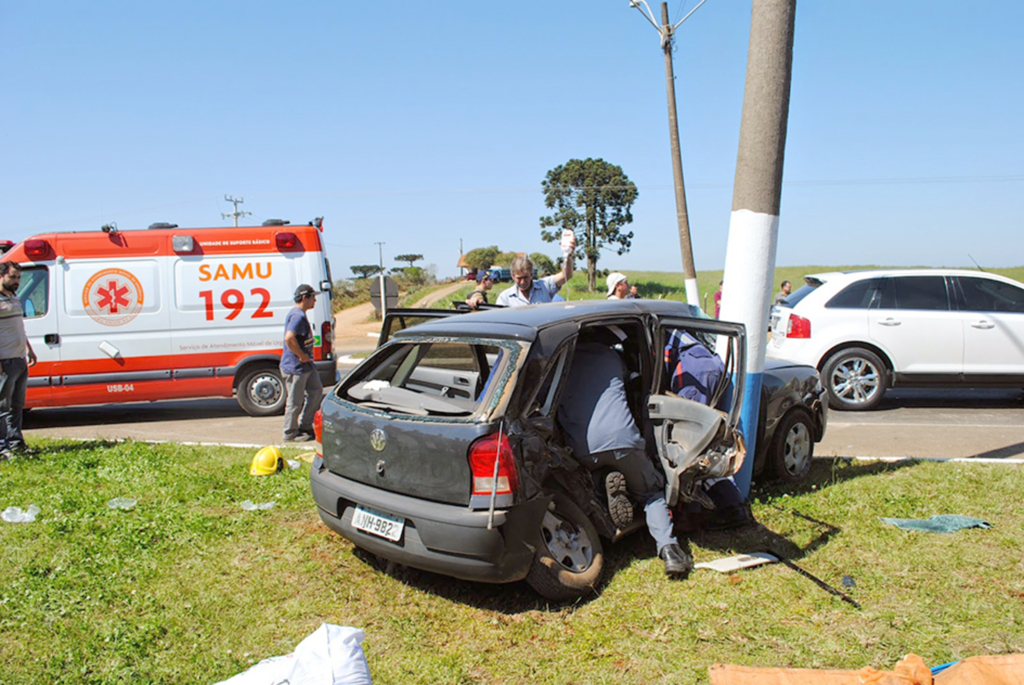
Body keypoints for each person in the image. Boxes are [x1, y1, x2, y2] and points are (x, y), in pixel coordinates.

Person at [557, 335, 693, 577]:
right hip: (623, 439)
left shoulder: (561, 362)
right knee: (651, 493)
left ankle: (604, 486)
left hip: (583, 446)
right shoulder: (611, 356)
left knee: (590, 475)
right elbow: (633, 385)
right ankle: (670, 550)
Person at [0, 262, 37, 460]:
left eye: (18, 278)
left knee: (17, 405)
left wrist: (29, 349)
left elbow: (19, 328)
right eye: (13, 277)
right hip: (4, 361)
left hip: (19, 359)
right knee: (2, 408)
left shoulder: (14, 298)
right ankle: (1, 447)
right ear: (1, 276)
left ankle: (16, 444)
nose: (16, 281)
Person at [281, 284, 324, 442]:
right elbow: (289, 338)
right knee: (295, 401)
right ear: (305, 297)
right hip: (296, 367)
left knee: (316, 391)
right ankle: (290, 433)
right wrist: (301, 355)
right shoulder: (297, 316)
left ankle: (305, 426)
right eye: (313, 297)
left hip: (306, 366)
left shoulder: (300, 314)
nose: (315, 300)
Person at [495, 237, 575, 307]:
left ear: (532, 274)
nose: (522, 282)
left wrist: (568, 255)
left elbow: (566, 275)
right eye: (519, 278)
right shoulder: (505, 298)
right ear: (512, 276)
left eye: (525, 277)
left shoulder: (545, 286)